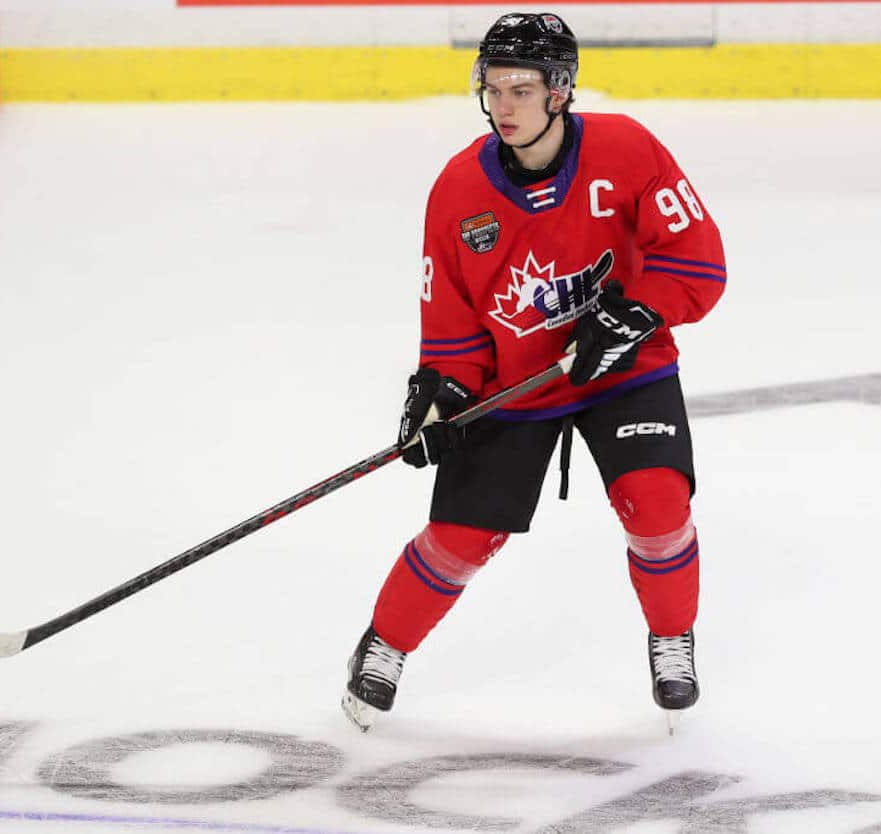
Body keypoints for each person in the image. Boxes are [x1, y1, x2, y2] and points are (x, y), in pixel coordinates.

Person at [341, 11, 726, 732]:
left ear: (561, 91)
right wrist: (441, 391)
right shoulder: (459, 188)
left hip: (622, 369)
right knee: (460, 538)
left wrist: (637, 312)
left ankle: (672, 637)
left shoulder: (629, 150)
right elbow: (451, 314)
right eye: (493, 88)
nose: (504, 106)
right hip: (515, 385)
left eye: (521, 88)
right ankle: (385, 645)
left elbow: (698, 260)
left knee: (658, 504)